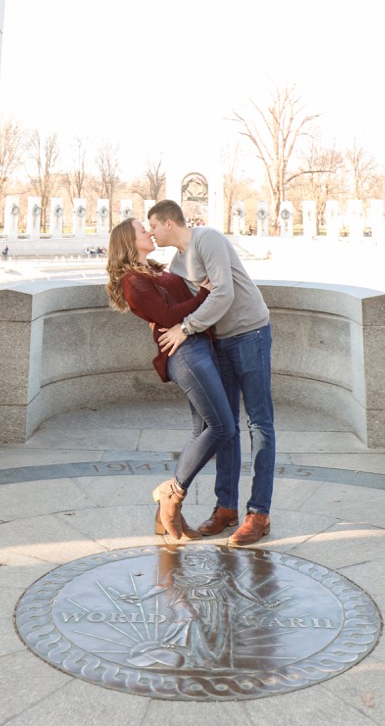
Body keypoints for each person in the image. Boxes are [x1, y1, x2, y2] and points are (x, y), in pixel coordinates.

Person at [150, 198, 275, 546]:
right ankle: (227, 508)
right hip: (219, 341)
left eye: (154, 227)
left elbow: (223, 292)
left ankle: (259, 513)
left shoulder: (208, 239)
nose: (152, 233)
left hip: (251, 334)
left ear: (170, 223)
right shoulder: (176, 263)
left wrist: (186, 328)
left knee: (259, 422)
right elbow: (178, 303)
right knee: (227, 425)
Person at [106, 218, 236, 544]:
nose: (149, 232)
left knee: (202, 432)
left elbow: (175, 305)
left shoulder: (154, 271)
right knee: (222, 427)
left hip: (199, 347)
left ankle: (167, 516)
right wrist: (206, 292)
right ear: (128, 241)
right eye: (141, 229)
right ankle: (172, 492)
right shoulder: (133, 281)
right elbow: (166, 315)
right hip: (186, 355)